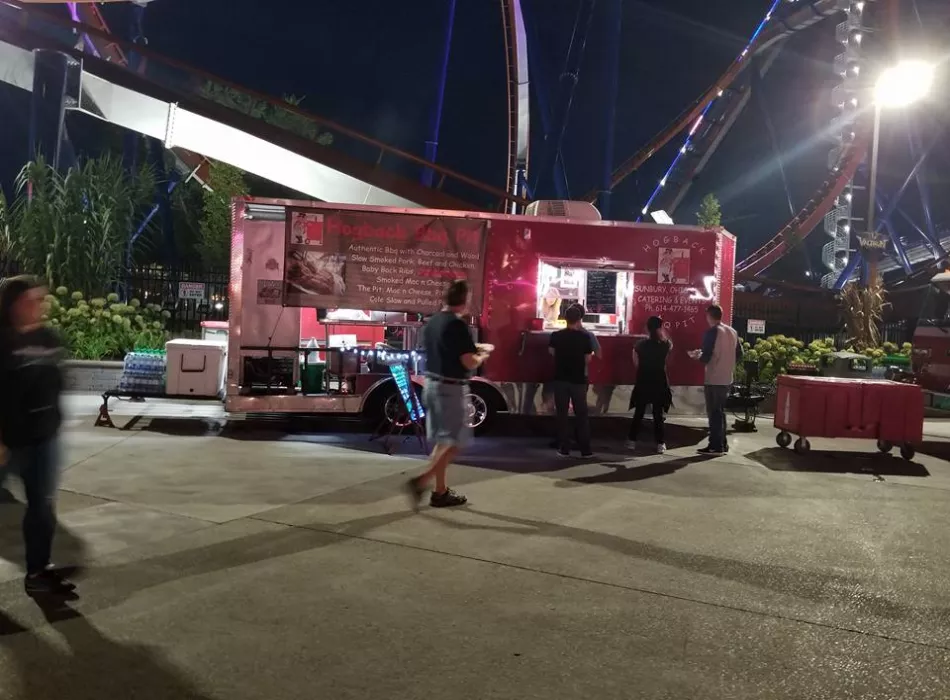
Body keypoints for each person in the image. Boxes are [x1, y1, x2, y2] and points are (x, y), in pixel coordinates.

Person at [0, 276, 79, 595]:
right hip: (6, 441)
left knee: (41, 508)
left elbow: (56, 382)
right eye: (32, 300)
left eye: (40, 300)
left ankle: (38, 572)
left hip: (44, 439)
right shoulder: (3, 341)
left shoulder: (48, 337)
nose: (39, 306)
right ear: (14, 304)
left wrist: (54, 423)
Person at [405, 280, 489, 508]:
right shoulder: (457, 325)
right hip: (450, 389)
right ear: (465, 300)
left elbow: (446, 351)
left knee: (443, 441)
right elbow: (468, 361)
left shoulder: (432, 323)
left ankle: (439, 492)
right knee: (456, 441)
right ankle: (422, 481)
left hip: (431, 385)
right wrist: (482, 355)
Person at [691, 304, 741, 455]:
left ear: (709, 316)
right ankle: (722, 444)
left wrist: (696, 356)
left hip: (714, 378)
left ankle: (715, 446)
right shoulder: (732, 331)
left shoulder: (712, 332)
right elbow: (739, 354)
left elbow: (706, 357)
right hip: (727, 377)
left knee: (714, 413)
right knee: (720, 412)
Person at [549, 304, 594, 458]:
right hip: (578, 380)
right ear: (579, 319)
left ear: (565, 319)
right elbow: (588, 359)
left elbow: (552, 352)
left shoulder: (555, 335)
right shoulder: (585, 337)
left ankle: (564, 448)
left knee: (562, 414)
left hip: (560, 379)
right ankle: (585, 450)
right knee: (581, 415)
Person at [627, 316, 673, 453]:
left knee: (639, 412)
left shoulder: (639, 345)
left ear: (647, 328)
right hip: (659, 380)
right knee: (658, 414)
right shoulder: (666, 344)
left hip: (644, 380)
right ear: (660, 328)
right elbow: (669, 349)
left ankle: (631, 441)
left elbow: (636, 363)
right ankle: (660, 443)